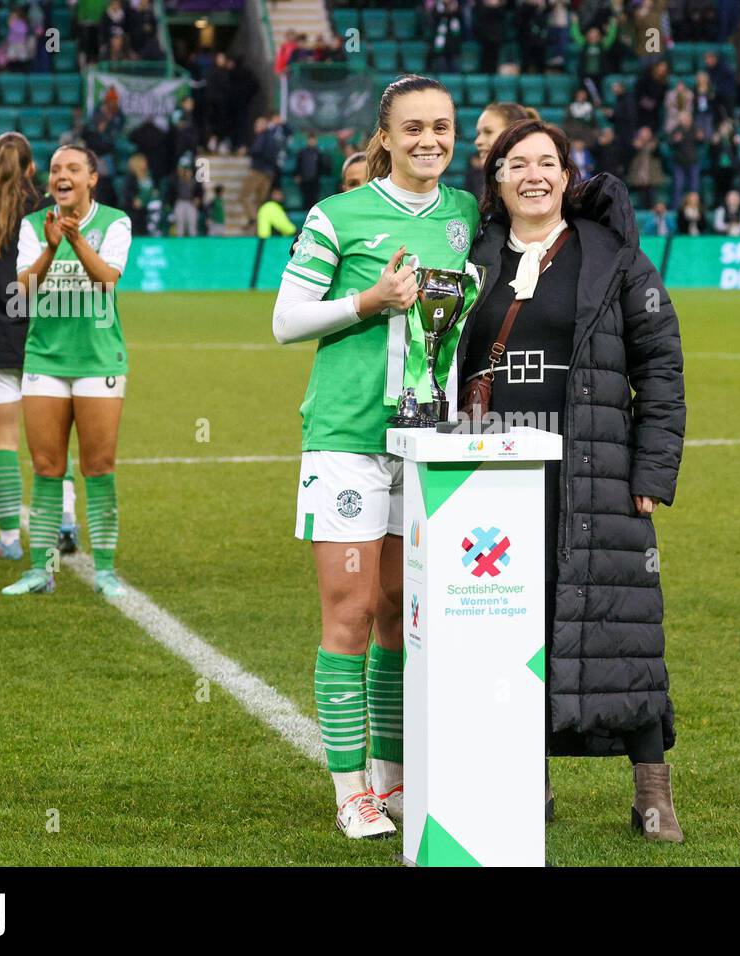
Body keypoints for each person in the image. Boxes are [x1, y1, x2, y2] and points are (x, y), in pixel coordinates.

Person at [458, 119, 686, 841]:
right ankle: (530, 781)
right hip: (493, 476)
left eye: (546, 163)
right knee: (510, 626)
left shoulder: (616, 259)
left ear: (567, 177)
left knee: (623, 630)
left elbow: (661, 368)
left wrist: (651, 468)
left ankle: (653, 792)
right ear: (495, 181)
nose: (533, 174)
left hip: (596, 468)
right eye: (515, 163)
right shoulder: (473, 257)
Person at [270, 75, 480, 840]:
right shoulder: (339, 215)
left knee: (399, 614)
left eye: (443, 128)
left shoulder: (465, 215)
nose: (431, 140)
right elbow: (285, 321)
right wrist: (368, 303)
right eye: (414, 128)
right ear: (384, 137)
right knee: (351, 614)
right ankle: (348, 787)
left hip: (426, 441)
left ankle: (391, 778)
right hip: (348, 440)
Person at [1, 145, 133, 599]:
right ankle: (41, 568)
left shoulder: (115, 222)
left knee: (99, 467)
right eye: (56, 169)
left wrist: (75, 240)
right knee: (46, 467)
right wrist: (51, 246)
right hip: (45, 360)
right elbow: (22, 290)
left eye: (73, 168)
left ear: (91, 178)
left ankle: (107, 571)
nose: (63, 175)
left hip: (99, 361)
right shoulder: (33, 226)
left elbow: (108, 279)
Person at [0, 133, 81, 561]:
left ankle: (9, 541)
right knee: (53, 441)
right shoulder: (50, 210)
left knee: (2, 441)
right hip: (46, 336)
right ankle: (64, 519)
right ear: (31, 168)